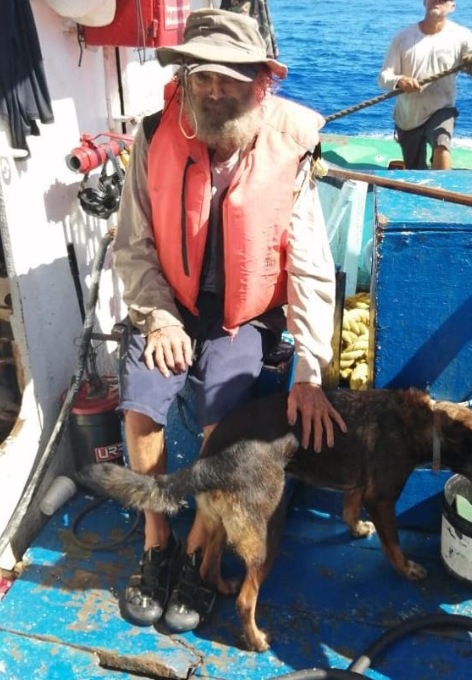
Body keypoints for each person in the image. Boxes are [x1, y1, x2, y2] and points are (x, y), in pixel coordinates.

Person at [110, 8, 346, 635]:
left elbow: (311, 265)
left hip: (247, 317)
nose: (216, 90)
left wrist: (310, 367)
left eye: (233, 77)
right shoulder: (154, 133)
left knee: (225, 418)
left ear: (260, 82)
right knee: (142, 401)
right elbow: (132, 246)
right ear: (185, 77)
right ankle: (156, 539)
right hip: (172, 306)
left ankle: (196, 552)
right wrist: (158, 319)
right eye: (202, 76)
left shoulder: (291, 150)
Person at [378, 0, 472, 170]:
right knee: (415, 169)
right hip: (409, 116)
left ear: (452, 7)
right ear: (424, 2)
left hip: (442, 108)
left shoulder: (463, 36)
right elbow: (384, 78)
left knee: (442, 143)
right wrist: (399, 81)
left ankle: (442, 194)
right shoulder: (403, 38)